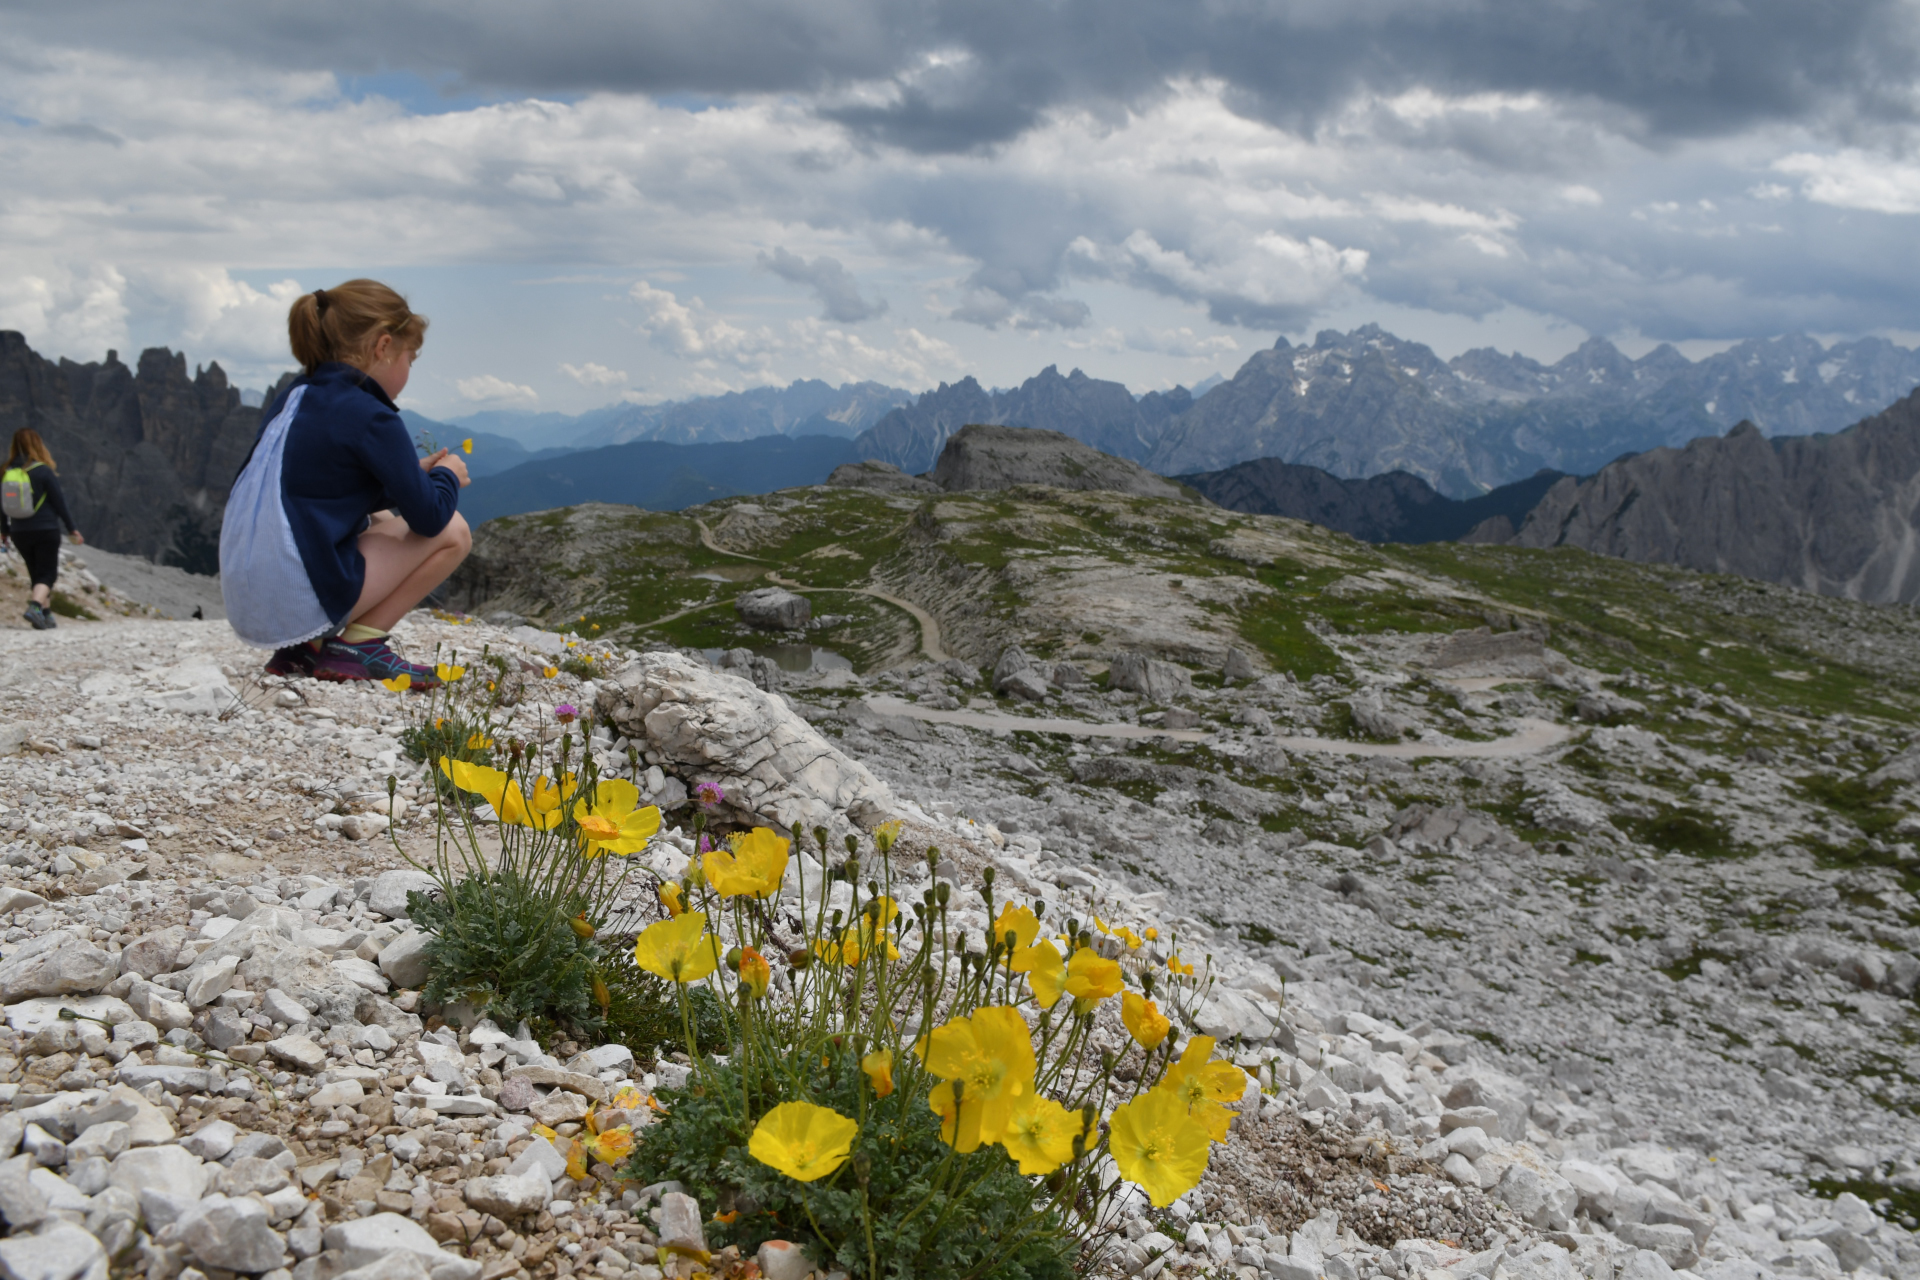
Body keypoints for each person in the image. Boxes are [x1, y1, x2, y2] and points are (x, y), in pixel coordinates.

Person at [220, 279, 471, 687]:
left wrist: (409, 475)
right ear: (383, 346)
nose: (409, 368)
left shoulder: (295, 396)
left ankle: (308, 648)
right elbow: (429, 519)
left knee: (379, 512)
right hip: (304, 603)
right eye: (410, 357)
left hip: (250, 605)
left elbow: (325, 488)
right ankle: (360, 645)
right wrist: (447, 475)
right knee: (454, 530)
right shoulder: (371, 413)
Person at [0, 429, 84, 631]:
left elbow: (1, 505)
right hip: (45, 529)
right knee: (47, 575)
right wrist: (72, 529)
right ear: (38, 445)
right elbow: (59, 503)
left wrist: (4, 531)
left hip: (19, 531)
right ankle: (35, 607)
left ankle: (46, 616)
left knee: (36, 573)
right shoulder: (43, 471)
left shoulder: (6, 471)